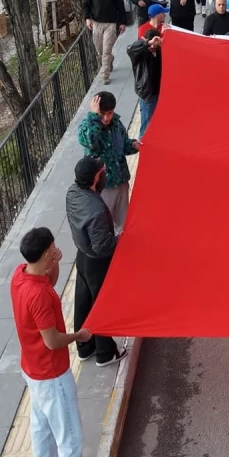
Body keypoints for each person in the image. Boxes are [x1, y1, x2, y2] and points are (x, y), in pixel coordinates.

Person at [10, 227, 104, 457]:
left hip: (32, 369)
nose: (55, 250)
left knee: (41, 428)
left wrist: (54, 266)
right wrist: (79, 335)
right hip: (52, 373)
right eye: (52, 249)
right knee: (70, 437)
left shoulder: (20, 276)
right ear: (46, 253)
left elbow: (47, 284)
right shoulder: (38, 296)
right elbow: (52, 341)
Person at [65, 157, 128, 373]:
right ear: (95, 178)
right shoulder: (96, 210)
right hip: (98, 262)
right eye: (102, 171)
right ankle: (105, 352)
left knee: (82, 302)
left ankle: (84, 347)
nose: (105, 174)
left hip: (82, 257)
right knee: (101, 304)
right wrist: (121, 239)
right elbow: (103, 247)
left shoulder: (72, 193)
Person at [77, 91, 140, 234]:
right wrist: (94, 116)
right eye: (102, 114)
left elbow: (123, 145)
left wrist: (133, 145)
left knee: (125, 226)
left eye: (110, 113)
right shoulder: (87, 127)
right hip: (103, 187)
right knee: (104, 226)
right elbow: (90, 140)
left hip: (121, 181)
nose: (106, 118)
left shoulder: (117, 124)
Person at [84, 0, 126, 85]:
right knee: (100, 50)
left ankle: (104, 75)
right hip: (97, 23)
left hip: (111, 24)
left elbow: (121, 6)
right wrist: (87, 18)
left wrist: (122, 22)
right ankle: (110, 60)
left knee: (106, 50)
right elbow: (86, 4)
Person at [127, 29, 162, 138]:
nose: (153, 47)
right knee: (147, 125)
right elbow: (130, 48)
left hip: (158, 92)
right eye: (152, 44)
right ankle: (143, 148)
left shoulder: (160, 51)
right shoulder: (140, 53)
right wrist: (147, 43)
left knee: (156, 123)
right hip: (147, 94)